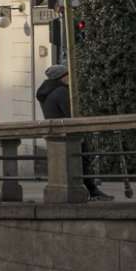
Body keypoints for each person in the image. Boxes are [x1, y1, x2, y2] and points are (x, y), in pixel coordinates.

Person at [35, 63, 104, 200]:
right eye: (67, 75)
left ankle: (83, 191)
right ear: (62, 77)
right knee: (82, 160)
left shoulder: (46, 92)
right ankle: (91, 191)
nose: (70, 78)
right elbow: (70, 114)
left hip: (56, 135)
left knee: (67, 166)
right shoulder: (61, 92)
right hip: (70, 134)